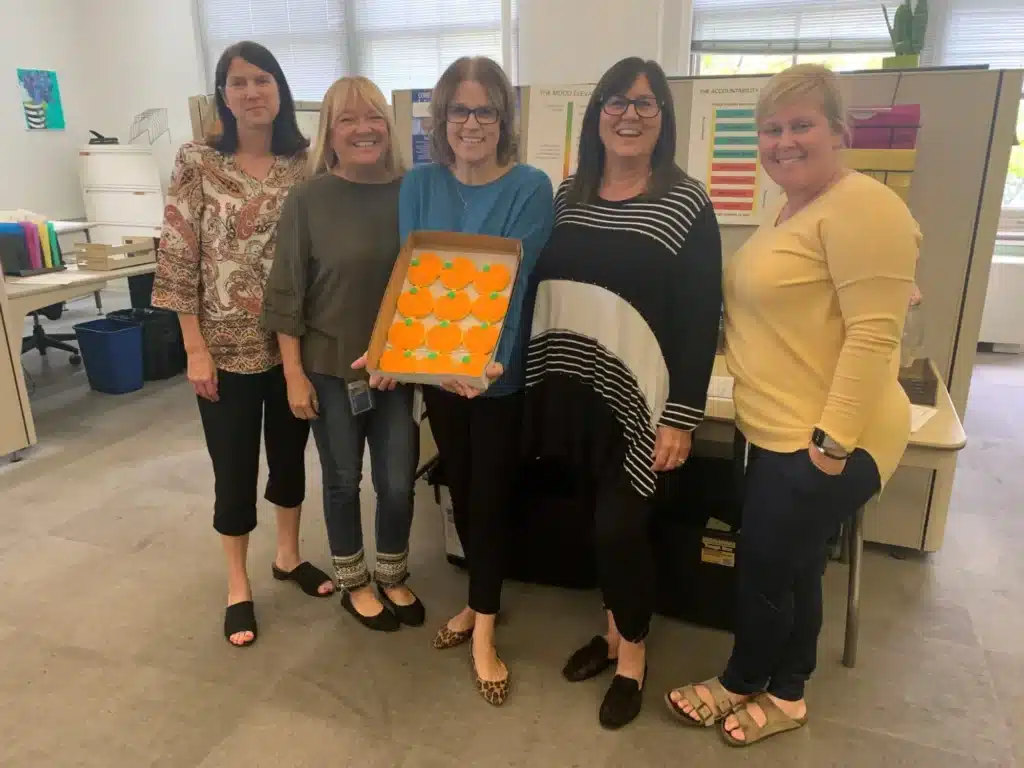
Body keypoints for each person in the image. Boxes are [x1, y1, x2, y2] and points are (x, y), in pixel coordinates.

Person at [665, 64, 919, 747]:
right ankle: (790, 691)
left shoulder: (864, 205)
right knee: (796, 567)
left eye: (801, 124)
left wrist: (831, 445)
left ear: (838, 131)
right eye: (771, 129)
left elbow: (874, 334)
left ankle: (742, 681)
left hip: (832, 437)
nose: (783, 141)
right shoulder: (790, 211)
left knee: (766, 573)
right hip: (778, 429)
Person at [522, 57, 723, 729]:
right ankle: (611, 636)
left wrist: (682, 418)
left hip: (645, 406)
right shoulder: (569, 192)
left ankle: (632, 657)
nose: (629, 115)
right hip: (577, 392)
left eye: (644, 104)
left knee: (621, 531)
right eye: (615, 102)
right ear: (596, 116)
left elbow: (702, 316)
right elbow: (544, 288)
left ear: (662, 119)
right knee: (595, 526)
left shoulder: (686, 201)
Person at [152, 41, 333, 649]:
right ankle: (237, 583)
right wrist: (193, 347)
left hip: (291, 348)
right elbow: (178, 255)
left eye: (262, 80)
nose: (251, 92)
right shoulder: (198, 160)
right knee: (232, 468)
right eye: (238, 82)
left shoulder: (303, 164)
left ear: (280, 90)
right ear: (223, 95)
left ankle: (288, 555)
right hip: (222, 352)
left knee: (289, 457)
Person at [389, 55, 553, 706]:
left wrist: (487, 368)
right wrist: (401, 356)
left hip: (492, 376)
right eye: (460, 109)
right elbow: (413, 282)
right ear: (442, 117)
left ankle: (483, 629)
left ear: (504, 118)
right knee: (460, 491)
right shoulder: (419, 185)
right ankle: (478, 603)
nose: (472, 122)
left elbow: (512, 290)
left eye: (486, 109)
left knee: (489, 499)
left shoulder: (530, 187)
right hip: (438, 372)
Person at [262, 76, 423, 633]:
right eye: (348, 120)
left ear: (389, 126)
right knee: (341, 480)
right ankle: (354, 581)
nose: (363, 129)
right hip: (330, 369)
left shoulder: (414, 192)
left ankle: (393, 571)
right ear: (329, 134)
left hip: (397, 371)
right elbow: (285, 293)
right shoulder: (308, 199)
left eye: (373, 116)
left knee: (399, 480)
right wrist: (293, 376)